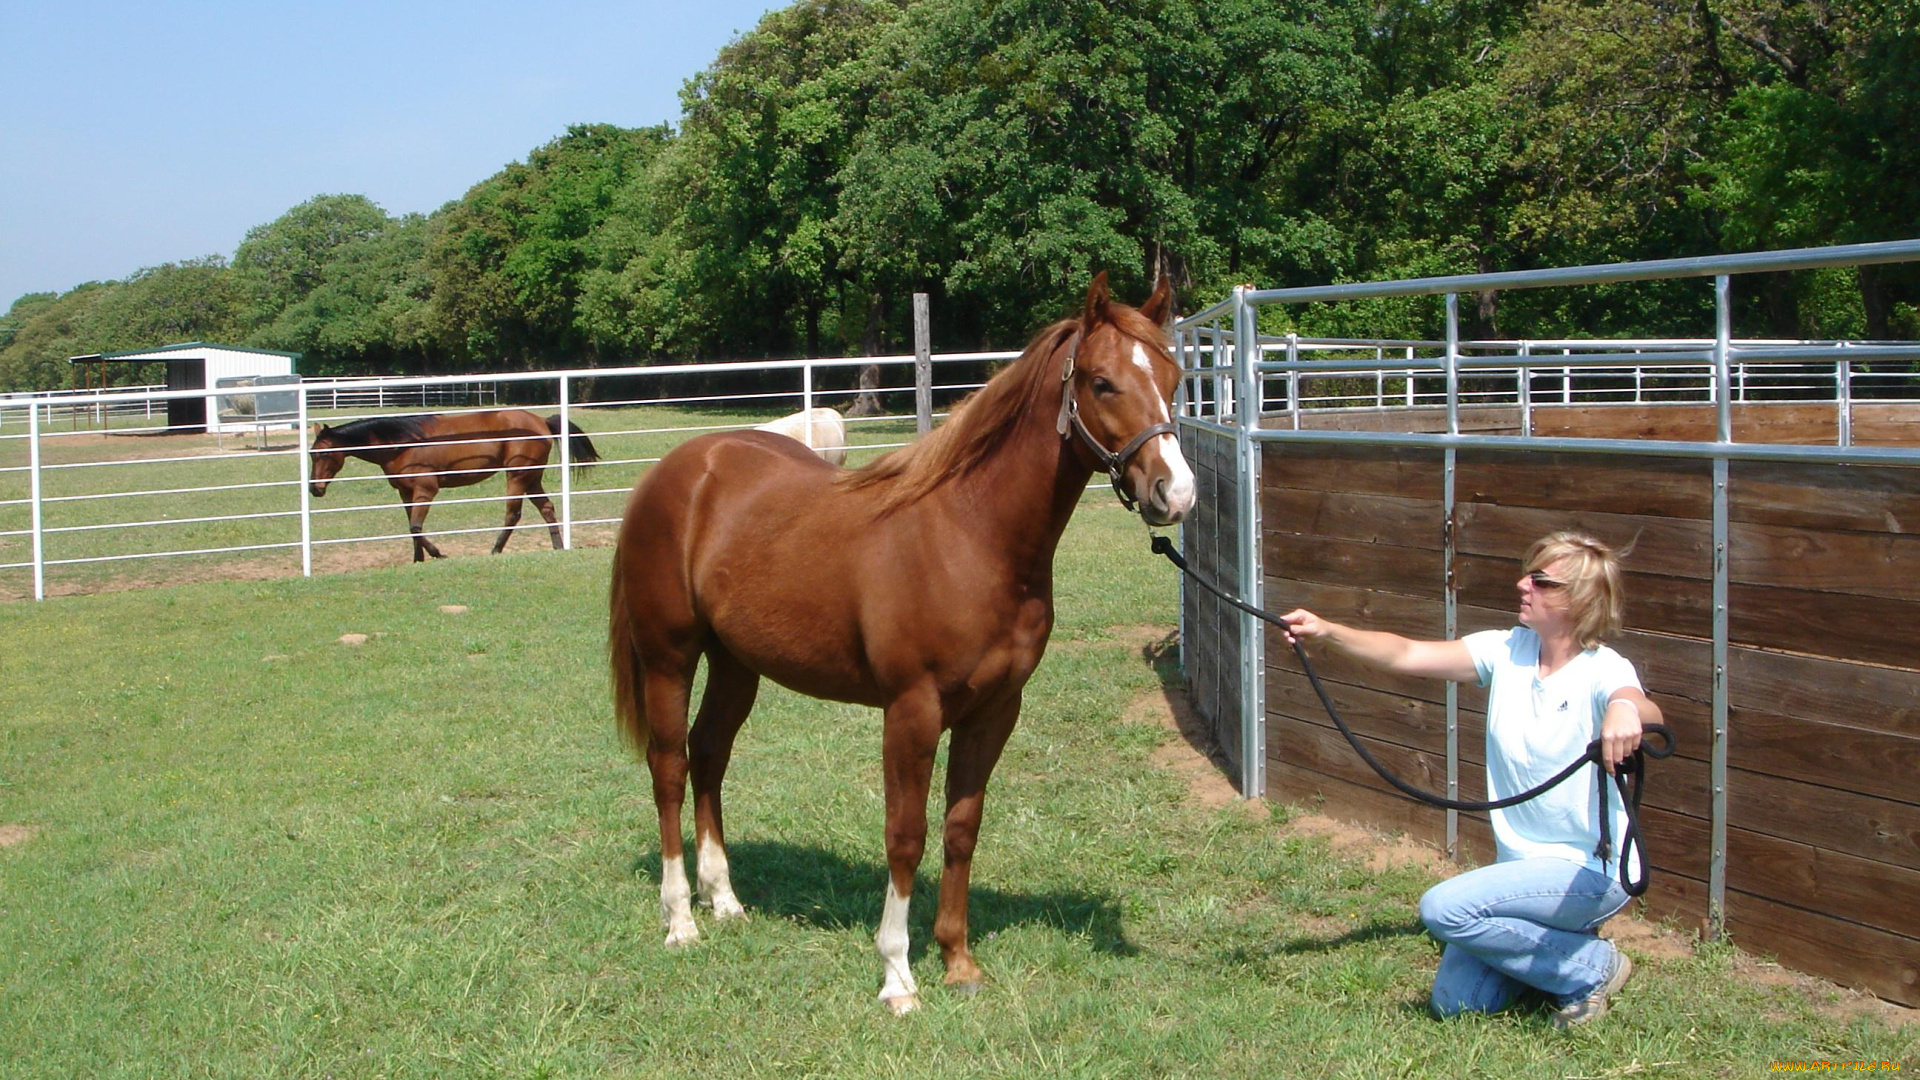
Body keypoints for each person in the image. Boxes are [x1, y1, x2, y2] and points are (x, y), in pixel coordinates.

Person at [1279, 531, 1661, 1030]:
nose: (1522, 584)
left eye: (1541, 581)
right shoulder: (1507, 651)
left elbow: (1639, 702)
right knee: (1457, 1003)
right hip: (1521, 868)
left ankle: (1592, 969)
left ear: (1578, 600)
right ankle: (1554, 953)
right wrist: (1328, 631)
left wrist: (1626, 711)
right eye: (1528, 573)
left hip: (1587, 874)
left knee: (1442, 908)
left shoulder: (1602, 669)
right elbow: (1406, 654)